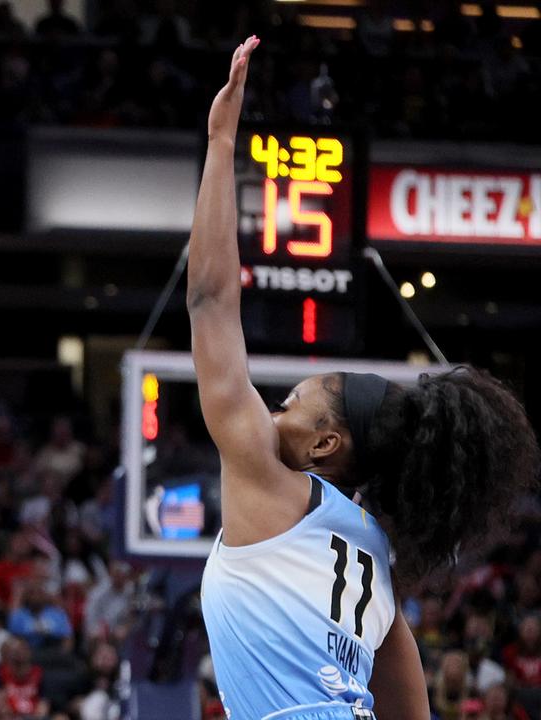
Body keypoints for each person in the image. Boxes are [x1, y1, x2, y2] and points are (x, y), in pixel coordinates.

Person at [189, 37, 539, 719]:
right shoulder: (375, 560)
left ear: (324, 445)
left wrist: (222, 142)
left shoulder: (265, 473)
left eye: (290, 403)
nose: (270, 410)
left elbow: (209, 301)